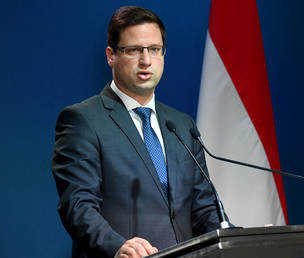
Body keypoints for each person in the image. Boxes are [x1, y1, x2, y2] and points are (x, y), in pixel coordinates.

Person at [52, 6, 226, 258]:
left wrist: (232, 239)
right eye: (134, 50)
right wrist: (116, 245)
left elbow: (204, 206)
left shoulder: (181, 124)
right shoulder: (82, 120)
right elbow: (77, 205)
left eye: (154, 50)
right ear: (111, 55)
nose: (146, 60)